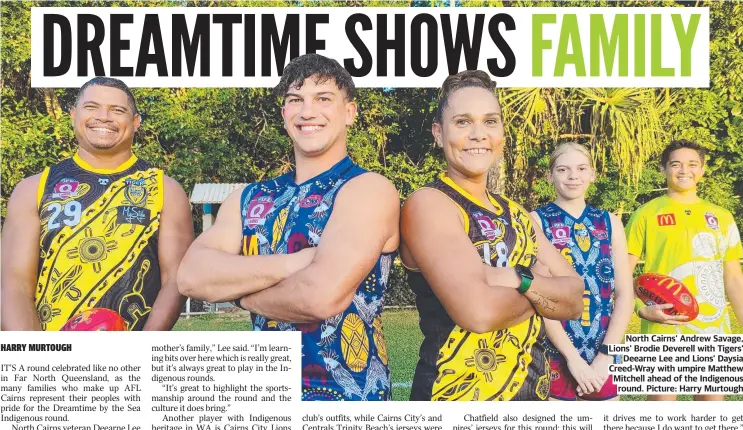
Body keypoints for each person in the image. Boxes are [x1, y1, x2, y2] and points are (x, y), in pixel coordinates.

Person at [177, 54, 400, 401]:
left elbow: (320, 297)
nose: (307, 111)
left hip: (350, 399)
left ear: (349, 113)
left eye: (323, 99)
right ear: (284, 115)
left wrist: (237, 293)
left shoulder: (367, 189)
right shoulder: (248, 198)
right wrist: (294, 263)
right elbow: (191, 276)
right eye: (295, 100)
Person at [399, 70, 584, 401]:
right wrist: (543, 289)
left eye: (490, 121)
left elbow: (573, 299)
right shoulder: (429, 204)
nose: (477, 134)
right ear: (438, 134)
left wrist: (514, 278)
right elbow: (478, 313)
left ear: (501, 132)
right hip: (453, 396)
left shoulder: (518, 214)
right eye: (463, 122)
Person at [1, 77, 194, 331]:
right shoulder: (33, 189)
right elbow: (13, 285)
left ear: (135, 123)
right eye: (92, 107)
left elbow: (175, 281)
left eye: (118, 110)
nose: (104, 117)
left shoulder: (165, 190)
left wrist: (141, 354)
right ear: (73, 115)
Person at [626, 139, 743, 401]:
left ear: (702, 170)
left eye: (692, 164)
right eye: (675, 164)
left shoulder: (722, 216)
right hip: (665, 325)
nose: (684, 170)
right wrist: (640, 309)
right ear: (663, 169)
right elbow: (622, 273)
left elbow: (734, 278)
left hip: (714, 329)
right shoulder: (645, 213)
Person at [531, 143, 634, 401]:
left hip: (603, 350)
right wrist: (573, 360)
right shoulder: (536, 220)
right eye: (563, 169)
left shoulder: (610, 222)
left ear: (592, 174)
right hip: (556, 352)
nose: (573, 176)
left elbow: (624, 295)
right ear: (550, 175)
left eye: (581, 168)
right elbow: (541, 296)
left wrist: (606, 355)